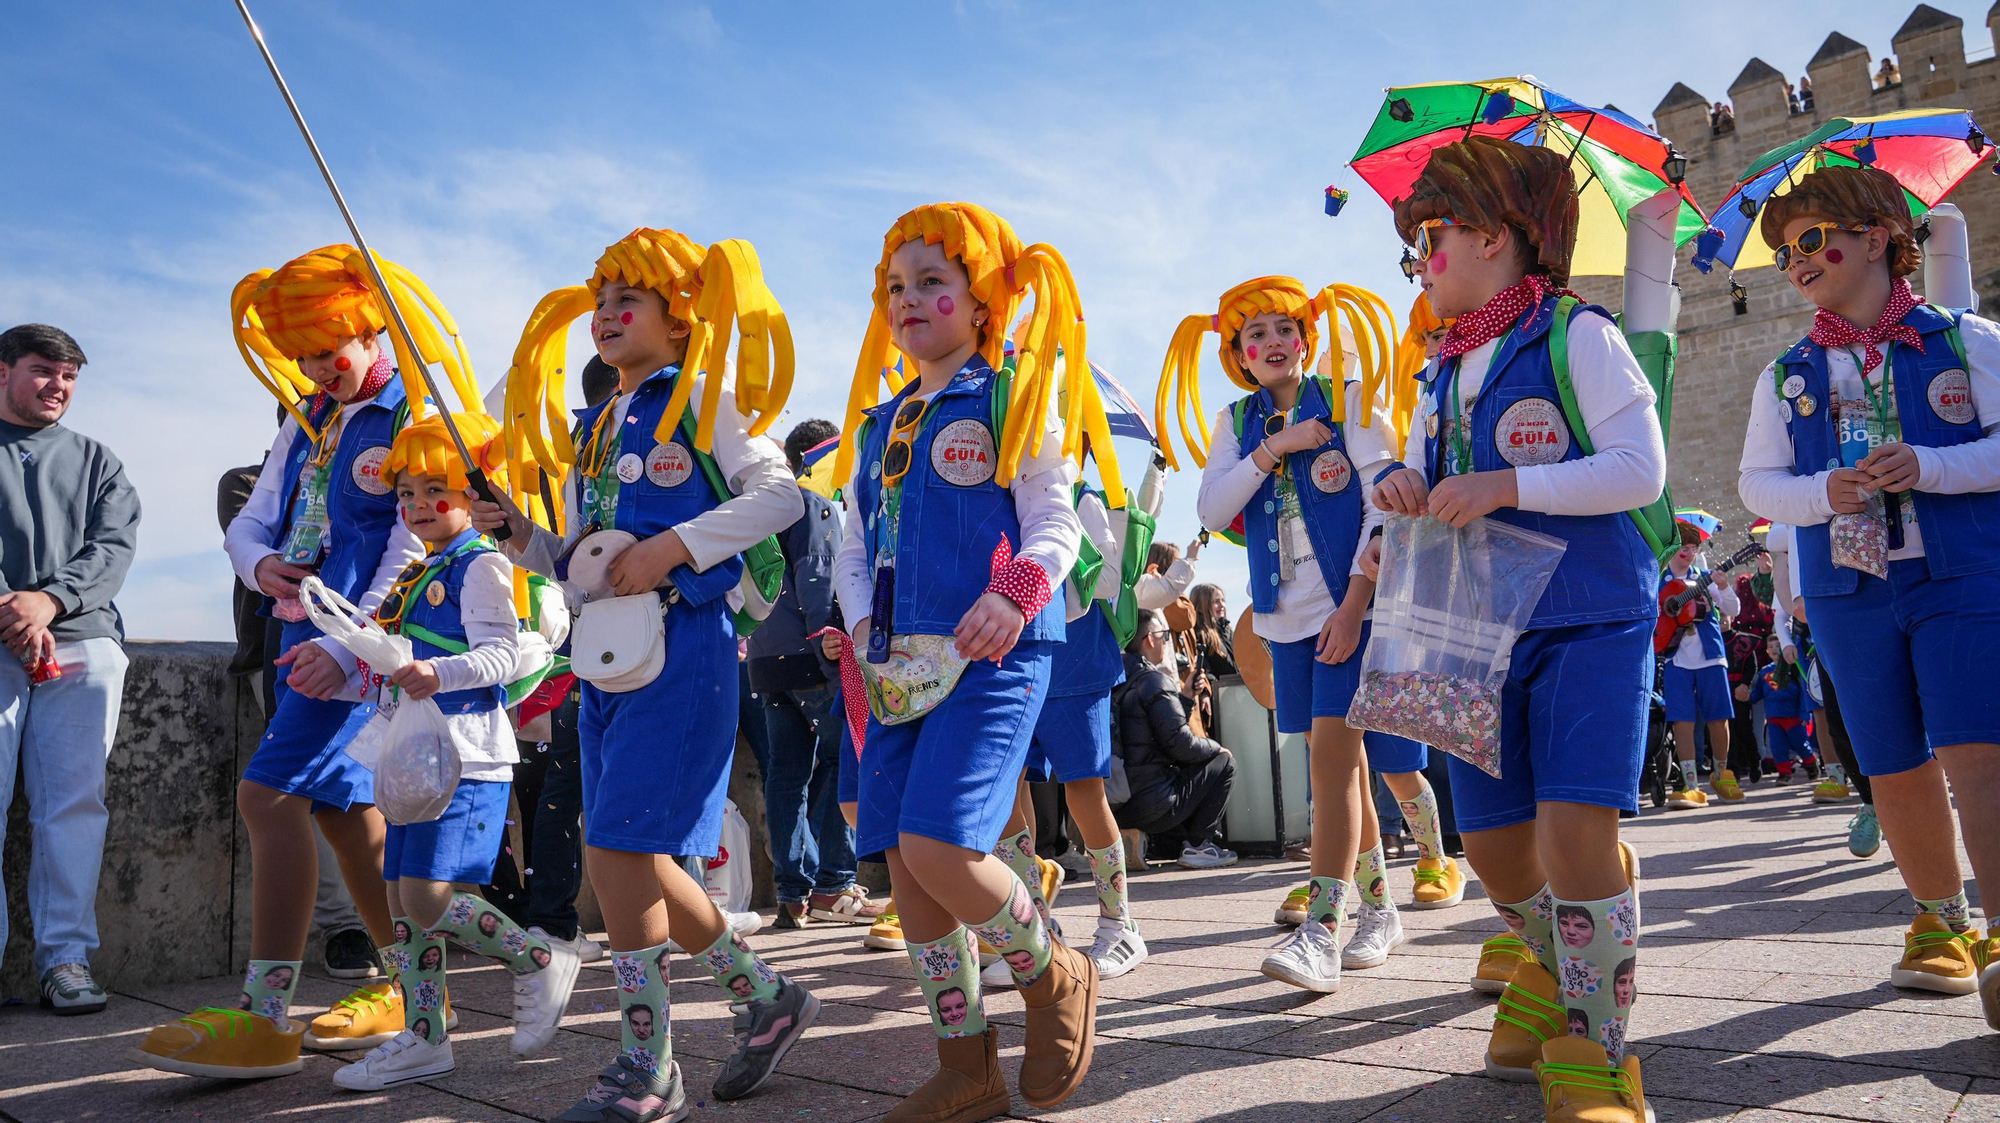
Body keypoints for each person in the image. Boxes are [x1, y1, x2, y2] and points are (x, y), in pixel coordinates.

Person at [480, 227, 818, 1120]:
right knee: (633, 852)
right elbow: (584, 560)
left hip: (687, 653)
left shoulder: (709, 400)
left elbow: (782, 495)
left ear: (682, 316)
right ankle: (764, 995)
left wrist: (675, 546)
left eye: (629, 299)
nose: (606, 315)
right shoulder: (591, 428)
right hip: (602, 658)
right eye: (599, 302)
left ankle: (647, 1064)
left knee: (615, 849)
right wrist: (521, 535)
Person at [135, 247, 478, 1078]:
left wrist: (346, 643)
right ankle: (407, 987)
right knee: (342, 817)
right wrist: (260, 567)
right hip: (302, 639)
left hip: (359, 645)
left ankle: (265, 1014)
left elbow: (417, 544)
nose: (323, 368)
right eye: (307, 356)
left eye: (335, 348)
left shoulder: (416, 412)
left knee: (267, 794)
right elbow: (251, 519)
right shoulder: (309, 418)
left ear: (371, 328)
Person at [1375, 136, 1662, 1120]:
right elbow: (1407, 482)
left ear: (1494, 237)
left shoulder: (1575, 335)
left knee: (1574, 830)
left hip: (1588, 613)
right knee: (1495, 846)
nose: (1421, 259)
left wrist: (1505, 482)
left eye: (1432, 237)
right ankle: (1553, 965)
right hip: (1476, 629)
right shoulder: (1438, 369)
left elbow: (1639, 470)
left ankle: (1596, 1045)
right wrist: (1400, 488)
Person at [830, 201, 1095, 1123]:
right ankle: (963, 1060)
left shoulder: (1015, 389)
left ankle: (1055, 973)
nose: (910, 299)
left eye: (933, 281)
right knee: (906, 869)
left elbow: (1056, 518)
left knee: (942, 842)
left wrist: (1014, 594)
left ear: (982, 299)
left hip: (996, 649)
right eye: (896, 286)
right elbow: (855, 546)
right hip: (897, 665)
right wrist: (864, 630)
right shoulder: (879, 423)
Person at [1736, 163, 2000, 1019]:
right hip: (1849, 587)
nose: (1797, 259)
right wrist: (1824, 492)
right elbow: (1757, 487)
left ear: (1880, 236)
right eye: (1785, 252)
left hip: (1959, 572)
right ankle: (1938, 918)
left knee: (1979, 756)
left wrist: (1931, 465)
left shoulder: (1966, 341)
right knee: (1892, 763)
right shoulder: (1787, 373)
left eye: (1812, 239)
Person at [319, 411, 581, 1090]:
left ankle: (538, 956)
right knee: (402, 901)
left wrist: (438, 672)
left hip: (468, 754)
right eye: (405, 492)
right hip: (413, 753)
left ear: (473, 495)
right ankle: (424, 1036)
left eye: (435, 489)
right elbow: (394, 655)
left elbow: (500, 654)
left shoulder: (485, 564)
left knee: (429, 896)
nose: (417, 505)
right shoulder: (419, 569)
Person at [1162, 273, 1407, 991]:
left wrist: (1356, 601)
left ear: (1306, 336)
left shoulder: (1350, 399)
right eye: (1254, 334)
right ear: (1238, 353)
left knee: (1331, 763)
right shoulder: (1236, 424)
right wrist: (1278, 447)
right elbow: (1212, 506)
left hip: (1347, 609)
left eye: (1281, 328)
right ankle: (1382, 908)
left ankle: (1322, 929)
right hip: (1282, 617)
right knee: (1342, 766)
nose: (1271, 342)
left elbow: (1386, 505)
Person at [0, 323, 139, 1016]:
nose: (57, 386)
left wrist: (46, 601)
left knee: (74, 807)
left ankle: (67, 960)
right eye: (43, 371)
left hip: (82, 644)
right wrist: (13, 608)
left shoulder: (98, 460)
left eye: (70, 376)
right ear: (3, 372)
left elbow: (112, 549)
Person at [483, 355, 611, 965]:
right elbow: (572, 563)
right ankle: (552, 919)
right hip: (567, 656)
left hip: (562, 655)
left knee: (557, 788)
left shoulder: (575, 458)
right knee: (572, 789)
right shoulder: (584, 458)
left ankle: (548, 917)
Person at [755, 417, 880, 928]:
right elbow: (818, 581)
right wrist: (833, 660)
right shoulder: (814, 503)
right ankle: (833, 885)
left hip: (767, 659)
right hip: (813, 654)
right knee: (837, 766)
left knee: (785, 775)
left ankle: (793, 891)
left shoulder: (766, 508)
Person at [1113, 609, 1236, 866]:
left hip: (1121, 803)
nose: (1166, 642)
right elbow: (1180, 744)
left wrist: (1186, 697)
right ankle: (1200, 846)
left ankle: (1159, 842)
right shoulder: (1155, 681)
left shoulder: (1117, 681)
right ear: (1149, 638)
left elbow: (1151, 733)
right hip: (1156, 803)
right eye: (1164, 636)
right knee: (1224, 763)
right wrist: (1217, 748)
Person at [1659, 517, 1738, 806]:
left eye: (1693, 546)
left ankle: (1721, 772)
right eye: (1683, 545)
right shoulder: (1658, 581)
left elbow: (1732, 609)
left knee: (1719, 716)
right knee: (1682, 719)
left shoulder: (1705, 578)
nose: (1688, 551)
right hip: (1675, 656)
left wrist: (1725, 587)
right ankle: (1690, 783)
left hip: (1710, 655)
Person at [1745, 634, 1815, 784]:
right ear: (1767, 651)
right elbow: (1758, 693)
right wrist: (1747, 697)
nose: (1774, 649)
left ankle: (1811, 764)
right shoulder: (1764, 672)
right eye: (1771, 647)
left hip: (1793, 716)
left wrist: (1805, 714)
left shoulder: (1794, 669)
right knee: (1778, 747)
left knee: (1800, 744)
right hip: (1773, 717)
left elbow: (1803, 693)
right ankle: (1784, 773)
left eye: (1777, 646)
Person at [1187, 583, 1236, 677]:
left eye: (1223, 600)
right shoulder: (1200, 636)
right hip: (1218, 690)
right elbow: (1204, 671)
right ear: (1200, 607)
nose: (1222, 605)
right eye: (1215, 601)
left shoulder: (1229, 632)